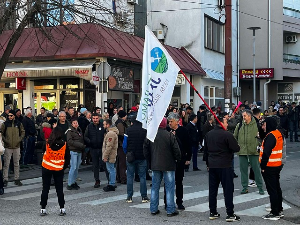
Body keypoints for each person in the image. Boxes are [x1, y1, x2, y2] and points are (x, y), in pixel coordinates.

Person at [203, 114, 240, 222]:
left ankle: (213, 211)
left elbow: (205, 150)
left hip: (213, 165)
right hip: (225, 165)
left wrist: (208, 164)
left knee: (213, 190)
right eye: (225, 122)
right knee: (228, 190)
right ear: (221, 123)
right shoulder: (227, 135)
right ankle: (230, 213)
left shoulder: (208, 135)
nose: (227, 124)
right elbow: (235, 148)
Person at [144, 117, 181, 217]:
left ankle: (153, 208)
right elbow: (176, 150)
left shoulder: (151, 135)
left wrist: (150, 160)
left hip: (155, 164)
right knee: (169, 187)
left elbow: (145, 149)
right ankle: (170, 209)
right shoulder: (169, 135)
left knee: (155, 187)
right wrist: (177, 159)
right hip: (169, 164)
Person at [234, 109, 264, 195]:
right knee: (243, 170)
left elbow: (262, 138)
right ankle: (245, 187)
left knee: (256, 170)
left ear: (249, 116)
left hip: (253, 151)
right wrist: (237, 146)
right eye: (243, 116)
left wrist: (258, 145)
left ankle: (260, 187)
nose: (243, 117)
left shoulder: (257, 125)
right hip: (242, 151)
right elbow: (234, 137)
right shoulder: (239, 125)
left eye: (245, 116)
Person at [260, 117, 284, 220]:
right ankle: (279, 208)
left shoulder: (270, 136)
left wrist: (263, 166)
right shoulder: (278, 133)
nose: (263, 127)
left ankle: (275, 212)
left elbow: (266, 153)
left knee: (272, 190)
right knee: (277, 188)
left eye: (264, 124)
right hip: (277, 164)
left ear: (269, 124)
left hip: (269, 166)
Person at [166, 113, 191, 210]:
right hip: (169, 159)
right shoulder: (167, 130)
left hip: (180, 159)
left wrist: (188, 158)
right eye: (169, 121)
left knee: (179, 181)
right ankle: (167, 201)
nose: (170, 123)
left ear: (177, 121)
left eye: (171, 121)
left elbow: (188, 145)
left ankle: (179, 201)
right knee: (168, 181)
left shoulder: (183, 130)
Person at [40, 127, 68, 216]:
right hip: (58, 168)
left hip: (47, 167)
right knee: (59, 189)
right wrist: (63, 167)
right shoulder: (64, 145)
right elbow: (67, 159)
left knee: (45, 188)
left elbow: (42, 150)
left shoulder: (47, 143)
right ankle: (62, 208)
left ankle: (43, 208)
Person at [123, 113, 149, 203]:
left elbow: (124, 145)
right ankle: (144, 196)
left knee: (130, 176)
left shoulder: (128, 130)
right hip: (142, 155)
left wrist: (127, 153)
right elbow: (147, 144)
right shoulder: (144, 130)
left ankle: (129, 197)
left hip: (131, 155)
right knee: (142, 177)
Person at [1, 110, 25, 187]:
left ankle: (16, 179)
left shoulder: (19, 123)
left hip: (16, 146)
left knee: (16, 163)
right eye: (9, 115)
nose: (9, 117)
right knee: (6, 164)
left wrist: (19, 139)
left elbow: (23, 132)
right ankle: (5, 179)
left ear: (14, 116)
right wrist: (5, 141)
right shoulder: (5, 124)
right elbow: (1, 133)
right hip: (8, 146)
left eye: (11, 115)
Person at [84, 113, 105, 188]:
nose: (95, 120)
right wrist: (90, 142)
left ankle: (110, 181)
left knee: (105, 165)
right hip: (93, 148)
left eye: (96, 118)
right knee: (95, 165)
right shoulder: (89, 126)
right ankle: (97, 180)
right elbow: (85, 136)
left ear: (99, 118)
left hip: (102, 148)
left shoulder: (103, 125)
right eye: (94, 118)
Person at [67, 119, 85, 190]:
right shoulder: (69, 131)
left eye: (76, 123)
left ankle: (74, 182)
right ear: (71, 124)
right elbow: (70, 141)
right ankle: (70, 183)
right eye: (74, 123)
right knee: (73, 167)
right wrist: (80, 145)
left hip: (79, 151)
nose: (75, 124)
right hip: (73, 150)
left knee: (77, 167)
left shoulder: (79, 130)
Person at [102, 119, 119, 192]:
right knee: (111, 169)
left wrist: (105, 156)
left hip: (110, 154)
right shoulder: (110, 132)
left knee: (111, 169)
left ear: (108, 125)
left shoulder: (110, 134)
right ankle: (111, 183)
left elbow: (109, 146)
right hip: (111, 154)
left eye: (104, 124)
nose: (103, 126)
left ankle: (111, 184)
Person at [115, 110, 128, 184]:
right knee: (122, 162)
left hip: (119, 144)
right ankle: (122, 178)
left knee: (119, 162)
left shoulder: (119, 122)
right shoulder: (120, 123)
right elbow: (121, 134)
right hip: (120, 145)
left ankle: (119, 177)